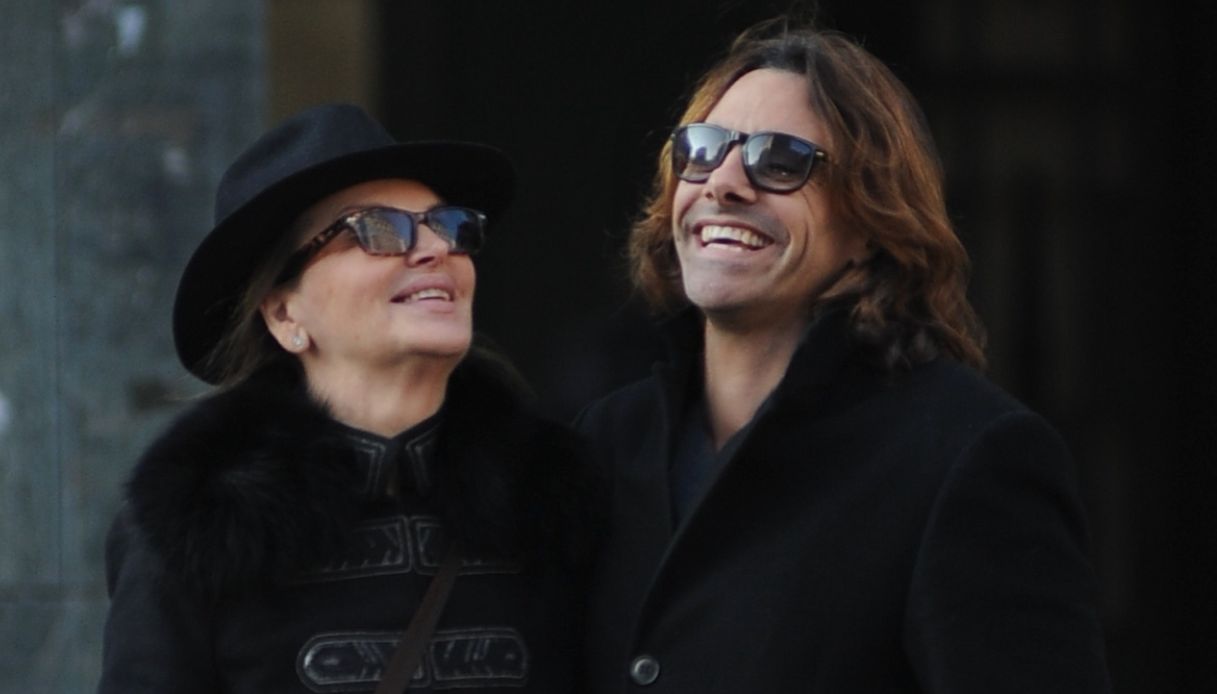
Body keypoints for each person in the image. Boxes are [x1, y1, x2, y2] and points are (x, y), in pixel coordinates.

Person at [576, 20, 1111, 694]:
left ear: (868, 224)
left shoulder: (966, 456)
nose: (724, 183)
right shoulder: (605, 442)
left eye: (781, 160)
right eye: (702, 150)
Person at [97, 104, 596, 693]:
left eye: (449, 224)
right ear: (285, 315)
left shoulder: (551, 502)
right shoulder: (196, 528)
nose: (436, 248)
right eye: (377, 229)